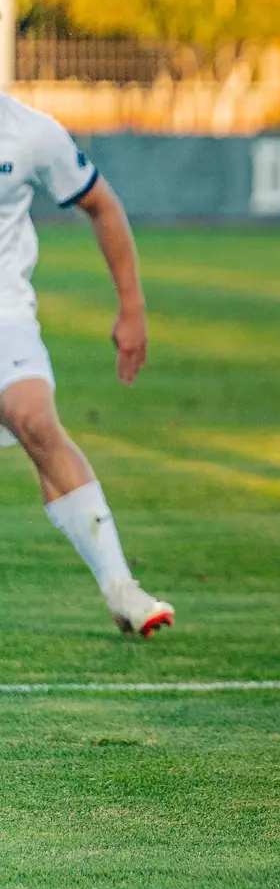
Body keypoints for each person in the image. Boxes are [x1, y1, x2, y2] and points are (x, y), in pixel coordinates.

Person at [0, 95, 172, 637]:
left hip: (5, 313)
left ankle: (121, 587)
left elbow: (102, 204)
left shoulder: (30, 133)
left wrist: (133, 307)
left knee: (35, 420)